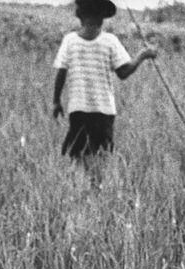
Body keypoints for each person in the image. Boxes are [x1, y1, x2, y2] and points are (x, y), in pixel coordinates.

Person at [52, 0, 158, 162]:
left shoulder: (69, 40)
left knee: (78, 156)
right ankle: (99, 185)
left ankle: (81, 185)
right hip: (103, 111)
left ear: (80, 16)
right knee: (103, 156)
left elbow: (61, 72)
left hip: (78, 109)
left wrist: (56, 101)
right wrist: (142, 56)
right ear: (102, 18)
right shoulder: (110, 41)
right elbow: (123, 72)